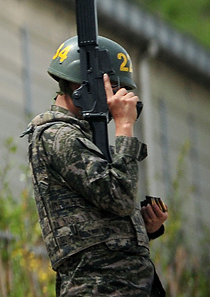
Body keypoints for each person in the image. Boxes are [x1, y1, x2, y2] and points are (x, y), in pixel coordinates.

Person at [25, 35, 169, 297]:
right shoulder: (58, 136)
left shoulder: (87, 139)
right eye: (113, 89)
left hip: (128, 285)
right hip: (99, 287)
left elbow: (102, 222)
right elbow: (119, 198)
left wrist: (146, 226)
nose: (119, 99)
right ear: (85, 85)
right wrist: (124, 127)